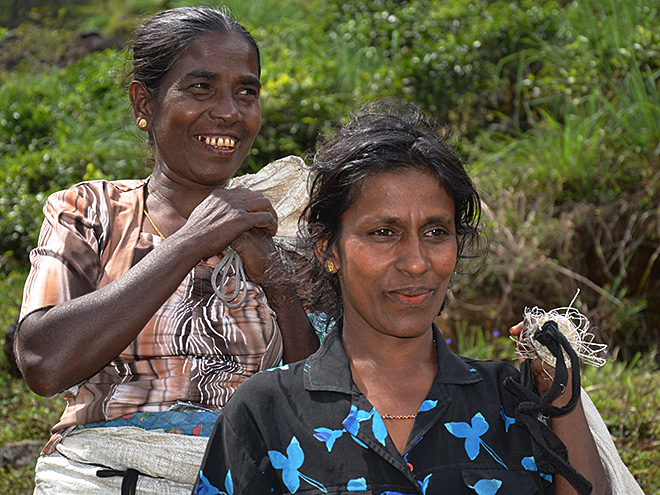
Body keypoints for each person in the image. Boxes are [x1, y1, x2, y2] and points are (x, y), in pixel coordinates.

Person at [193, 101, 612, 495]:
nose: (416, 263)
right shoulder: (267, 411)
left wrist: (558, 390)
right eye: (383, 232)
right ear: (329, 251)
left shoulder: (511, 400)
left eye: (435, 232)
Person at [14, 6, 319, 494]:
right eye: (200, 87)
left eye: (247, 91)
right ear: (144, 104)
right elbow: (43, 362)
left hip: (247, 472)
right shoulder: (89, 210)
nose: (228, 111)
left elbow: (321, 402)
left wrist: (278, 280)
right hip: (103, 476)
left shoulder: (285, 226)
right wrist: (191, 241)